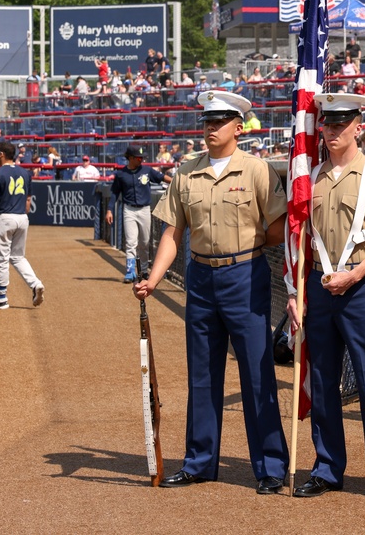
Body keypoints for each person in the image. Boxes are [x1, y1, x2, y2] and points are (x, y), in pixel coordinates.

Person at [134, 91, 289, 494]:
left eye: (219, 121)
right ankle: (200, 462)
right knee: (202, 375)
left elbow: (279, 226)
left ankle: (270, 466)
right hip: (201, 279)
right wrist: (153, 278)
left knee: (257, 373)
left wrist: (250, 248)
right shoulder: (186, 172)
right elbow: (173, 232)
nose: (210, 127)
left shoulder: (257, 170)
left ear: (239, 127)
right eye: (206, 121)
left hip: (245, 275)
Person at [287, 93, 365, 504]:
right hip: (319, 289)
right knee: (321, 383)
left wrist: (354, 274)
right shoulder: (310, 177)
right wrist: (295, 292)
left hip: (361, 288)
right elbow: (300, 240)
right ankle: (326, 467)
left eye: (342, 123)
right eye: (328, 124)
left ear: (359, 125)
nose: (334, 131)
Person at [0, 141, 45, 309]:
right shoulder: (25, 173)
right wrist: (22, 216)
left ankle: (0, 299)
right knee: (18, 257)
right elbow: (28, 200)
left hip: (4, 217)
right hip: (21, 217)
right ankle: (35, 283)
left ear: (2, 154)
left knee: (1, 258)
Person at [105, 146, 170, 283]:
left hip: (145, 210)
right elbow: (115, 193)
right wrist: (110, 209)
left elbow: (161, 177)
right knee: (131, 242)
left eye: (142, 157)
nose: (141, 159)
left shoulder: (146, 170)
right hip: (129, 210)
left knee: (145, 243)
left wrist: (178, 181)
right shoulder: (121, 174)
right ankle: (130, 271)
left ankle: (144, 271)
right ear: (130, 158)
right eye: (138, 157)